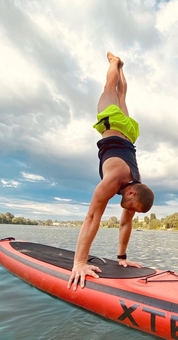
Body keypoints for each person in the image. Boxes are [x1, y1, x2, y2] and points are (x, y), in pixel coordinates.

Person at [67, 52, 154, 290]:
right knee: (110, 88)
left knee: (122, 94)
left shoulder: (137, 184)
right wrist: (80, 263)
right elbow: (93, 216)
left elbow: (126, 224)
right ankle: (114, 63)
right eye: (132, 207)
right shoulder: (114, 179)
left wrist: (122, 258)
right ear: (134, 194)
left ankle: (121, 66)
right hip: (113, 123)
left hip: (129, 134)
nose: (128, 211)